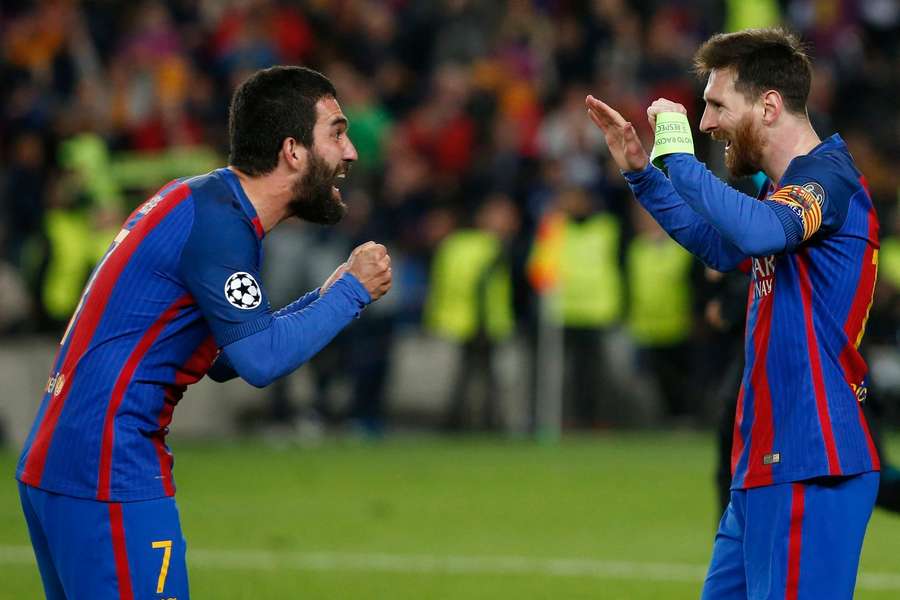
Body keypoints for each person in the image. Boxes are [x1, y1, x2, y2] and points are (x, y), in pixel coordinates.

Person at [15, 65, 392, 599]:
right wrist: (351, 293)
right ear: (293, 150)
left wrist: (327, 295)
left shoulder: (209, 205)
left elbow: (227, 358)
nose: (350, 151)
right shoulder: (221, 227)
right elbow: (259, 360)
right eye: (336, 132)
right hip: (107, 467)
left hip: (67, 460)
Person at [586, 28, 880, 599]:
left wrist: (676, 152)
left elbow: (757, 231)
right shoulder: (783, 189)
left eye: (717, 104)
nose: (707, 123)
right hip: (766, 461)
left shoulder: (830, 177)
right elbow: (723, 245)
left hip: (812, 457)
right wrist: (644, 173)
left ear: (769, 105)